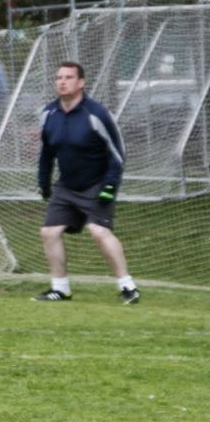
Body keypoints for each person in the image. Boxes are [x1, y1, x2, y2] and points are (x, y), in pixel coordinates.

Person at [33, 61, 138, 304]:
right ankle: (60, 289)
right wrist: (44, 183)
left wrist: (110, 186)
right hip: (66, 186)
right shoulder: (48, 114)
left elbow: (118, 153)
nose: (62, 81)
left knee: (98, 231)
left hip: (97, 184)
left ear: (81, 83)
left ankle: (128, 287)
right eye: (58, 77)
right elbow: (47, 152)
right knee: (49, 232)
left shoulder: (97, 114)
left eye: (69, 77)